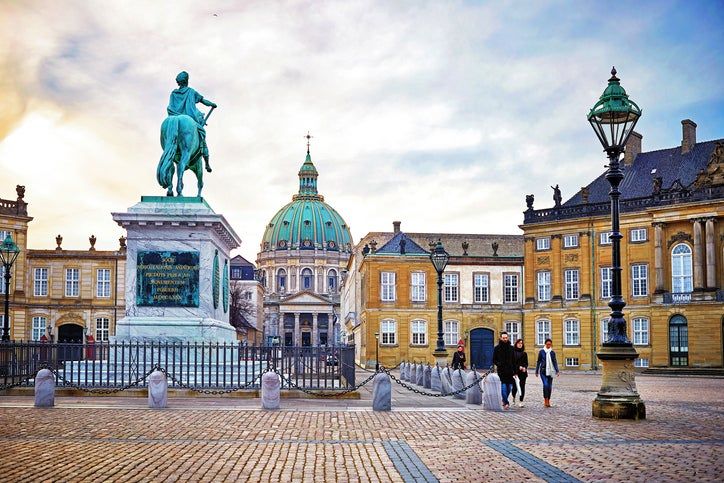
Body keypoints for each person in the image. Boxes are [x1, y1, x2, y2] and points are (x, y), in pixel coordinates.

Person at [167, 71, 217, 171]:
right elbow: (203, 101)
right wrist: (212, 104)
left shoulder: (173, 94)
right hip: (191, 119)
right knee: (202, 134)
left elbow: (170, 107)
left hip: (173, 117)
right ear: (187, 81)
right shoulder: (191, 91)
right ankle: (206, 162)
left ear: (179, 82)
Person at [493, 331, 516, 410]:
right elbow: (494, 360)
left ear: (508, 338)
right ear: (500, 338)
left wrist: (515, 371)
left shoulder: (511, 348)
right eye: (503, 338)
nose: (505, 339)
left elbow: (514, 360)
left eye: (506, 338)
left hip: (510, 371)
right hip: (501, 371)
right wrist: (499, 364)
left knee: (509, 387)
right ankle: (506, 403)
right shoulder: (497, 348)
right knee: (503, 387)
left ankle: (504, 400)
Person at [535, 338, 560, 407]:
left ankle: (548, 400)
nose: (549, 345)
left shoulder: (552, 352)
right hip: (543, 371)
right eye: (547, 344)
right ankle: (545, 399)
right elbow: (539, 361)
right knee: (545, 385)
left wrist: (557, 371)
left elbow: (554, 362)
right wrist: (536, 371)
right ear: (545, 344)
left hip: (551, 371)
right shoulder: (542, 352)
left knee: (549, 386)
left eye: (550, 344)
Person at [511, 338, 528, 407]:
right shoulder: (513, 353)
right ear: (516, 344)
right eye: (519, 343)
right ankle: (514, 397)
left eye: (521, 343)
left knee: (522, 387)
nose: (520, 344)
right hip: (515, 372)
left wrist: (525, 368)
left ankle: (521, 401)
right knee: (514, 387)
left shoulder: (524, 353)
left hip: (523, 373)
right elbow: (512, 363)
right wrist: (518, 367)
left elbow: (526, 363)